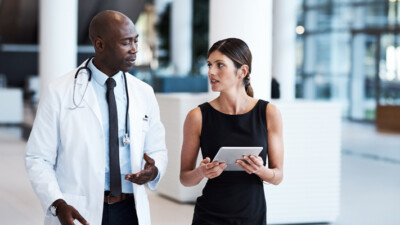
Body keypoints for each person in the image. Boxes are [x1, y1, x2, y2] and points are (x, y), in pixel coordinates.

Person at [25, 10, 167, 225]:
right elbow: (38, 158)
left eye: (136, 41)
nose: (134, 50)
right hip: (79, 210)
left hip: (130, 210)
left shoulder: (144, 92)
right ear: (100, 45)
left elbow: (157, 149)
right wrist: (57, 203)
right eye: (126, 42)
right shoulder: (59, 91)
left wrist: (153, 170)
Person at [180, 38, 284, 224]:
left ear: (242, 72)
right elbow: (185, 178)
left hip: (252, 216)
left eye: (220, 65)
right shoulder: (197, 116)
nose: (211, 71)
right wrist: (202, 172)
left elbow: (277, 176)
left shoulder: (269, 113)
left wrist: (260, 170)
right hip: (209, 217)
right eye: (210, 65)